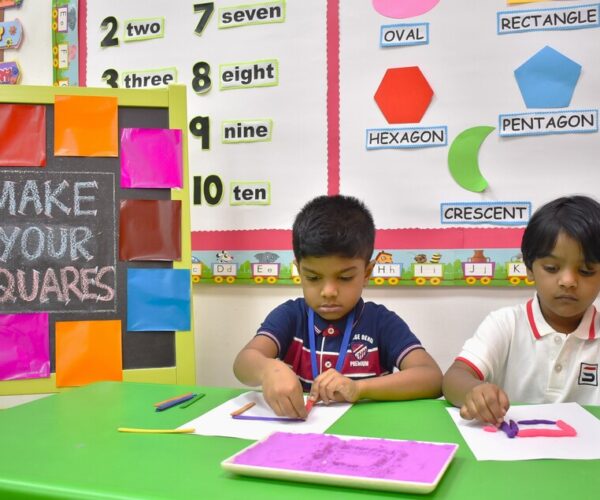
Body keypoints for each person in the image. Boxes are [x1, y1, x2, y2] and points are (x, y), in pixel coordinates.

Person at [233, 195, 443, 418]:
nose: (329, 291)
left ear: (367, 273)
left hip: (366, 438)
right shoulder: (291, 316)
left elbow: (432, 378)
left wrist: (359, 389)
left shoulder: (380, 322)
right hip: (302, 437)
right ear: (299, 271)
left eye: (344, 278)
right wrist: (268, 370)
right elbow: (243, 363)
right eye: (313, 278)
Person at [443, 195, 600, 426]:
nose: (568, 281)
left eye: (586, 270)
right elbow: (453, 378)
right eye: (552, 268)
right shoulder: (506, 323)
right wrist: (475, 391)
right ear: (529, 269)